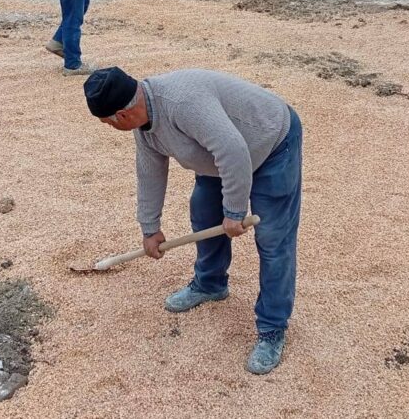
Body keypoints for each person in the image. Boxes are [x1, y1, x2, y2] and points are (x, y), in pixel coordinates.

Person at [83, 67, 303, 375]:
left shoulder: (182, 102)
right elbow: (149, 172)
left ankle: (272, 328)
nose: (108, 127)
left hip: (270, 141)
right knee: (203, 212)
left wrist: (235, 211)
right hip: (219, 157)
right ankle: (210, 284)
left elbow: (234, 150)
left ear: (122, 114)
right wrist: (150, 228)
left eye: (106, 122)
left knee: (273, 239)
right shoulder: (143, 125)